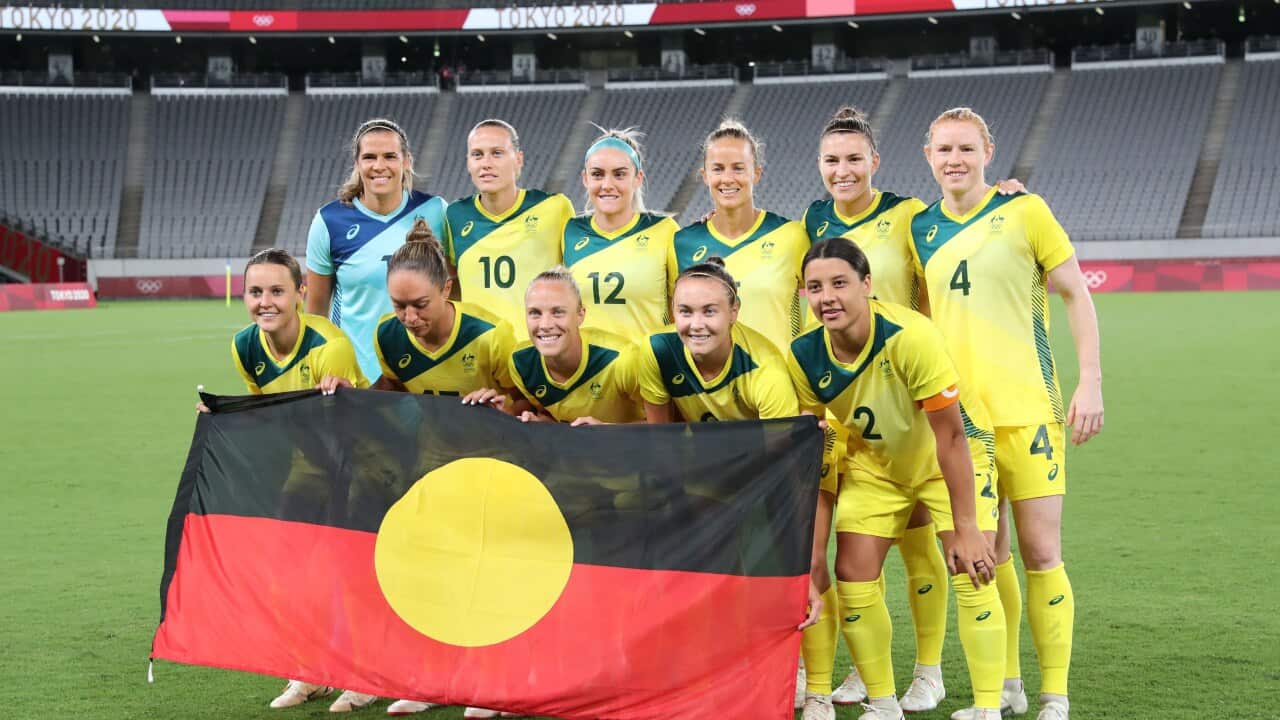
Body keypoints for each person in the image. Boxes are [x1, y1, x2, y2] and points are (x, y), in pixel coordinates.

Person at [911, 108, 1103, 720]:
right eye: (944, 149)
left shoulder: (1026, 211)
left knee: (1042, 550)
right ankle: (1006, 688)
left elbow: (1076, 293)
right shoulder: (919, 229)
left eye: (966, 148)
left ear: (988, 151)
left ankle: (1055, 696)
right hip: (960, 423)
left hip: (1030, 410)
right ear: (928, 156)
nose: (954, 159)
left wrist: (1090, 382)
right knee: (983, 554)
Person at [788, 237, 1006, 720]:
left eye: (840, 283)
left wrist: (967, 526)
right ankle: (885, 705)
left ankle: (988, 708)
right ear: (804, 294)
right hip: (877, 467)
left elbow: (950, 437)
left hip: (949, 456)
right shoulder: (804, 355)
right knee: (852, 576)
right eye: (816, 286)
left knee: (974, 567)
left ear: (867, 285)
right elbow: (812, 445)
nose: (828, 297)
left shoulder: (909, 336)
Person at [320, 220, 519, 719]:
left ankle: (493, 682)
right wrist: (352, 395)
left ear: (447, 288)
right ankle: (434, 679)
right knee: (433, 576)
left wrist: (503, 403)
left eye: (420, 305)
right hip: (432, 471)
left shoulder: (493, 337)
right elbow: (392, 386)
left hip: (497, 473)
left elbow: (527, 402)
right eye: (399, 306)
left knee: (488, 577)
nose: (408, 317)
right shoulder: (389, 336)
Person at [218, 248, 370, 713]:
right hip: (307, 468)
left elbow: (347, 429)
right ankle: (308, 672)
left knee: (351, 578)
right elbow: (268, 412)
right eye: (255, 291)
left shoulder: (330, 347)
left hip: (359, 468)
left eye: (278, 291)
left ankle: (361, 676)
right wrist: (224, 415)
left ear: (302, 294)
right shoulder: (245, 347)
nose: (266, 301)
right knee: (288, 575)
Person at [637, 257, 823, 630]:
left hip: (764, 475)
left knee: (772, 575)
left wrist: (803, 564)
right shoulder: (656, 352)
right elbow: (662, 442)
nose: (696, 324)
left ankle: (798, 665)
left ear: (734, 311)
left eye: (710, 311)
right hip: (701, 474)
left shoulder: (765, 370)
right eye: (685, 311)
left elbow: (787, 472)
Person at [305, 117, 448, 383]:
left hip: (425, 378)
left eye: (390, 156)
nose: (379, 166)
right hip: (355, 382)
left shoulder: (436, 212)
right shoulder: (329, 221)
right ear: (357, 163)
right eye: (370, 157)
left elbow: (454, 297)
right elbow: (315, 317)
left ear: (406, 161)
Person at [670, 119, 810, 350]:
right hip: (708, 384)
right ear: (705, 175)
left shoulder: (791, 236)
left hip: (778, 381)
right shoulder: (683, 243)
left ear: (756, 173)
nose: (727, 178)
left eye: (738, 168)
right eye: (718, 169)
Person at [443, 119, 575, 341]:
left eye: (497, 153)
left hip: (538, 357)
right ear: (468, 163)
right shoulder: (454, 216)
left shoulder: (555, 208)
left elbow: (577, 284)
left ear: (518, 160)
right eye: (477, 155)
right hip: (481, 360)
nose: (486, 163)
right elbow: (452, 285)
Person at [563, 127, 679, 342]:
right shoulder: (569, 232)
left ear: (638, 178)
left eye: (619, 174)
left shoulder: (664, 230)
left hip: (646, 371)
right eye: (597, 174)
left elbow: (685, 309)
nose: (607, 185)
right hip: (588, 373)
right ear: (585, 179)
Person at [505, 267, 645, 425]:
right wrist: (538, 423)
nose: (545, 325)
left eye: (558, 312)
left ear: (580, 314)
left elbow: (667, 426)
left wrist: (608, 432)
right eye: (535, 313)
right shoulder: (520, 363)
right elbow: (551, 417)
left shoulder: (622, 360)